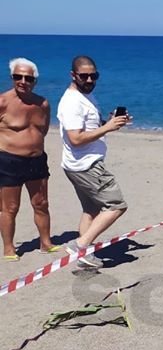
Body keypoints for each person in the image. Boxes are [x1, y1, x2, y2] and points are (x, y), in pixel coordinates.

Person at [57, 55, 131, 269]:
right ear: (73, 75)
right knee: (116, 205)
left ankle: (83, 257)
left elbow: (90, 127)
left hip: (79, 165)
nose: (89, 80)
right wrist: (107, 128)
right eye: (84, 76)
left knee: (91, 210)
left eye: (93, 76)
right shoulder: (71, 102)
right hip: (86, 166)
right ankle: (80, 245)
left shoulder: (86, 96)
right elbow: (76, 139)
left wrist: (111, 122)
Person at [0, 58, 59, 260]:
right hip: (9, 161)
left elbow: (42, 130)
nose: (22, 81)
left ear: (35, 80)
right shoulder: (3, 102)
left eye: (28, 78)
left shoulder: (42, 103)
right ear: (12, 78)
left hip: (37, 161)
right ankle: (9, 248)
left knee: (41, 203)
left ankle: (46, 243)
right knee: (10, 207)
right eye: (18, 77)